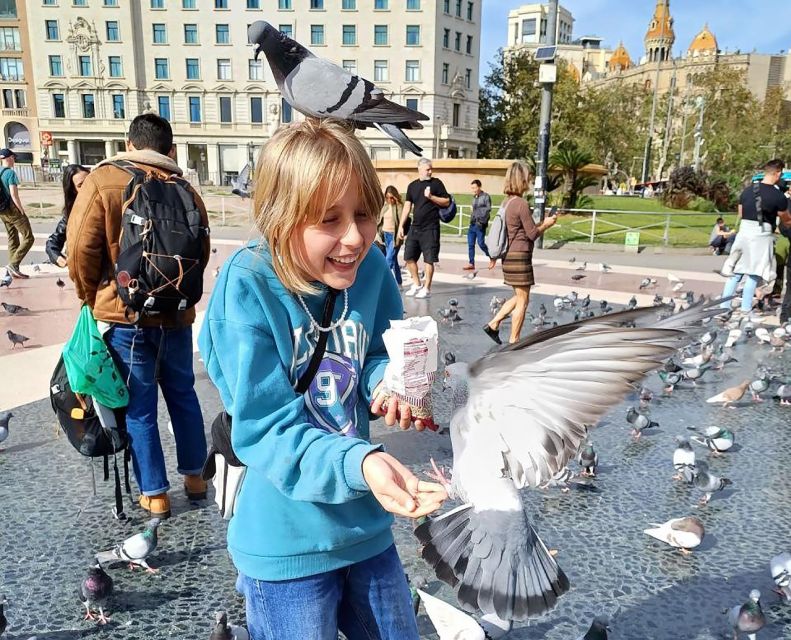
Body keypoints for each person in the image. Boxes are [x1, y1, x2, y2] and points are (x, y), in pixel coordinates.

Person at [198, 118, 447, 640]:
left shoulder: (372, 271)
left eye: (364, 214)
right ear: (280, 219)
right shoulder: (247, 286)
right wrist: (364, 460)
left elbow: (374, 352)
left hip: (366, 526)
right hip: (285, 542)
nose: (354, 237)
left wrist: (390, 385)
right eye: (329, 220)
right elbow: (265, 430)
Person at [67, 113, 211, 519]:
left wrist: (90, 298)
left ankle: (155, 493)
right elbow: (200, 250)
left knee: (140, 405)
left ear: (130, 143)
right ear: (169, 148)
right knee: (183, 394)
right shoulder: (185, 187)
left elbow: (80, 248)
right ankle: (197, 477)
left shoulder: (104, 180)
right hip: (176, 316)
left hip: (124, 315)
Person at [483, 161, 557, 345]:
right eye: (528, 177)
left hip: (508, 256)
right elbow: (532, 234)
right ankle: (514, 341)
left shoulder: (506, 202)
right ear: (522, 179)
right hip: (520, 257)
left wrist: (541, 224)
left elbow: (522, 230)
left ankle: (493, 324)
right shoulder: (521, 203)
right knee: (523, 301)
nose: (529, 180)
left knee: (520, 296)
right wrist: (547, 224)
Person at [720, 159, 791, 316]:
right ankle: (746, 308)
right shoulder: (778, 196)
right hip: (762, 234)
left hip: (744, 232)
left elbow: (740, 212)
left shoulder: (747, 190)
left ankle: (724, 307)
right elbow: (786, 219)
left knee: (736, 272)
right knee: (754, 273)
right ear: (778, 173)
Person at [398, 157, 450, 299]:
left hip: (431, 227)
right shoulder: (412, 186)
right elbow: (407, 206)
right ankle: (417, 284)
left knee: (429, 259)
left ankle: (427, 288)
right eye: (428, 169)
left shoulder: (436, 183)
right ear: (419, 169)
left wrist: (431, 197)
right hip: (415, 227)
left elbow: (446, 201)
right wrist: (401, 226)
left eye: (431, 168)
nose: (430, 171)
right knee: (408, 257)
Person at [45, 164, 89, 267]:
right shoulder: (74, 212)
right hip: (86, 269)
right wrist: (57, 257)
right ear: (73, 190)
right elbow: (53, 242)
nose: (88, 187)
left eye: (89, 181)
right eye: (81, 185)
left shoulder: (107, 203)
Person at [0, 148, 33, 278]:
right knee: (29, 237)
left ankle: (12, 270)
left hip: (1, 211)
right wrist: (21, 210)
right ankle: (13, 264)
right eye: (13, 157)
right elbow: (14, 195)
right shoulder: (10, 174)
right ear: (8, 158)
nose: (14, 160)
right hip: (12, 209)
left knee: (12, 238)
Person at [376, 185, 403, 285]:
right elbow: (379, 220)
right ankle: (399, 282)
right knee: (393, 260)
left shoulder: (399, 207)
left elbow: (402, 221)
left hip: (394, 237)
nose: (389, 200)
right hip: (385, 235)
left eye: (391, 197)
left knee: (388, 260)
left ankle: (381, 283)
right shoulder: (385, 206)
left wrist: (397, 203)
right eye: (387, 197)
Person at [464, 179, 492, 271]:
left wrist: (476, 212)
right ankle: (471, 263)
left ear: (479, 187)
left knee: (481, 243)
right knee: (470, 244)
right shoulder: (474, 197)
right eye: (472, 188)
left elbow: (488, 209)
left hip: (480, 224)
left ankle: (491, 256)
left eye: (475, 187)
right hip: (472, 224)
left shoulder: (486, 197)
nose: (473, 189)